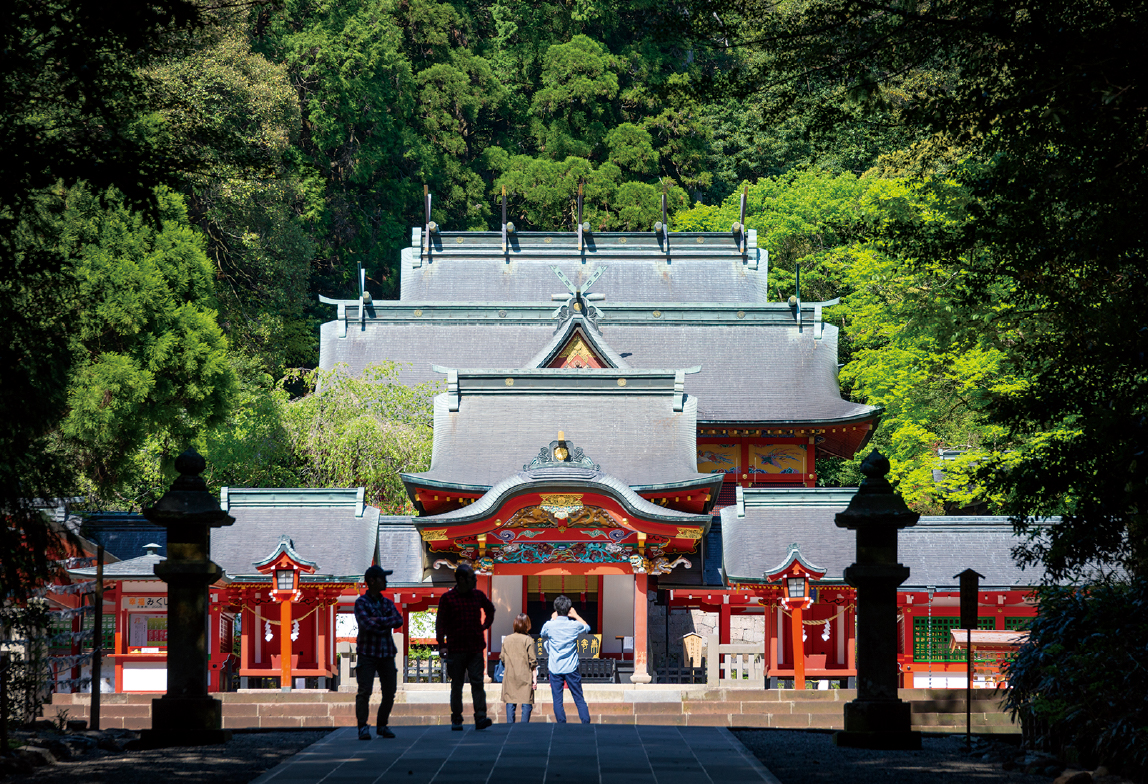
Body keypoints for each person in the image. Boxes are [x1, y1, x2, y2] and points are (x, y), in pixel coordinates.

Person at [436, 562, 495, 730]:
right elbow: (440, 623)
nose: (475, 580)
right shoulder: (448, 598)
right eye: (472, 578)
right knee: (457, 684)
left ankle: (481, 716)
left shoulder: (478, 595)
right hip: (455, 647)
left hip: (475, 646)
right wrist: (442, 644)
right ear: (462, 579)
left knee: (477, 682)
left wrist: (485, 625)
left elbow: (490, 609)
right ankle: (456, 717)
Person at [354, 565, 404, 740]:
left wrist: (378, 620)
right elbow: (367, 624)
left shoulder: (387, 602)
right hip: (367, 652)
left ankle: (382, 725)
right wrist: (385, 622)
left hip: (387, 652)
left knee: (390, 691)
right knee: (364, 691)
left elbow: (399, 620)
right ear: (373, 581)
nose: (386, 581)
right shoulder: (361, 602)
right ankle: (362, 726)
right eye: (383, 578)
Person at [539, 594, 591, 724]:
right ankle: (585, 722)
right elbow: (587, 628)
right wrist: (576, 615)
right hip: (571, 666)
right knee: (578, 697)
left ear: (556, 610)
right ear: (569, 610)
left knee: (557, 699)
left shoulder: (549, 625)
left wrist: (552, 620)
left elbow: (542, 634)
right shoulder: (574, 625)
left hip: (555, 667)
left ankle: (561, 723)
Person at [500, 613, 538, 723]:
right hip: (525, 676)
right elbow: (533, 662)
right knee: (526, 703)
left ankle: (509, 726)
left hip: (510, 676)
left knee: (510, 703)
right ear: (527, 625)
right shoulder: (528, 640)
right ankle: (523, 727)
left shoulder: (507, 639)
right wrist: (534, 679)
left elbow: (502, 658)